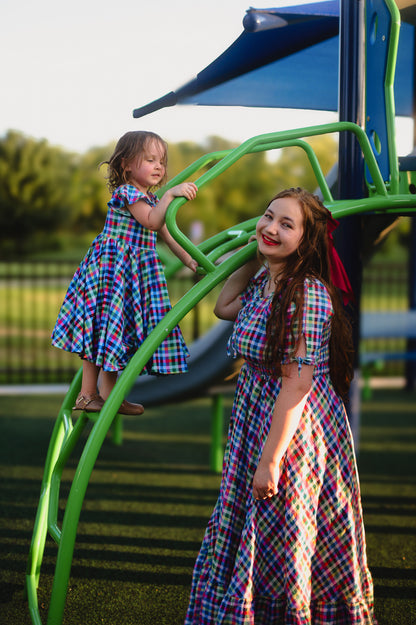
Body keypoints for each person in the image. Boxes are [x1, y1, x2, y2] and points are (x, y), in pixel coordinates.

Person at [185, 188, 377, 624]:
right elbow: (223, 306)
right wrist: (250, 254)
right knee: (254, 524)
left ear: (306, 241)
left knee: (285, 527)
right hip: (257, 417)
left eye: (286, 225)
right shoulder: (267, 282)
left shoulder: (307, 293)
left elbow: (297, 385)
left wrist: (271, 460)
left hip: (290, 428)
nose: (271, 227)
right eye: (268, 217)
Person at [52, 130, 198, 415]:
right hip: (111, 273)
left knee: (113, 331)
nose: (159, 167)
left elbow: (169, 235)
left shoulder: (151, 200)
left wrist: (190, 260)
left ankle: (109, 396)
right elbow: (152, 223)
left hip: (128, 276)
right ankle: (86, 394)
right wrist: (171, 194)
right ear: (126, 165)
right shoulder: (129, 193)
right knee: (101, 328)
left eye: (162, 161)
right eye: (150, 160)